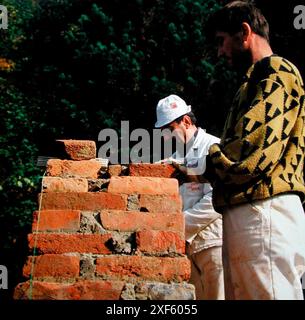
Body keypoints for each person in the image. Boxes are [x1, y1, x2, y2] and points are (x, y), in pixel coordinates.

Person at [205, 1, 305, 300]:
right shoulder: (256, 78)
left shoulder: (275, 71)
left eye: (221, 41)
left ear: (244, 32)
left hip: (264, 209)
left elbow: (249, 150)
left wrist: (209, 159)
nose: (220, 52)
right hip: (254, 210)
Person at [155, 94, 224, 300]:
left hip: (214, 243)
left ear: (185, 121)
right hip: (189, 247)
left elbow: (216, 199)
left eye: (169, 129)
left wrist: (178, 226)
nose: (166, 137)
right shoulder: (177, 157)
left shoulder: (213, 147)